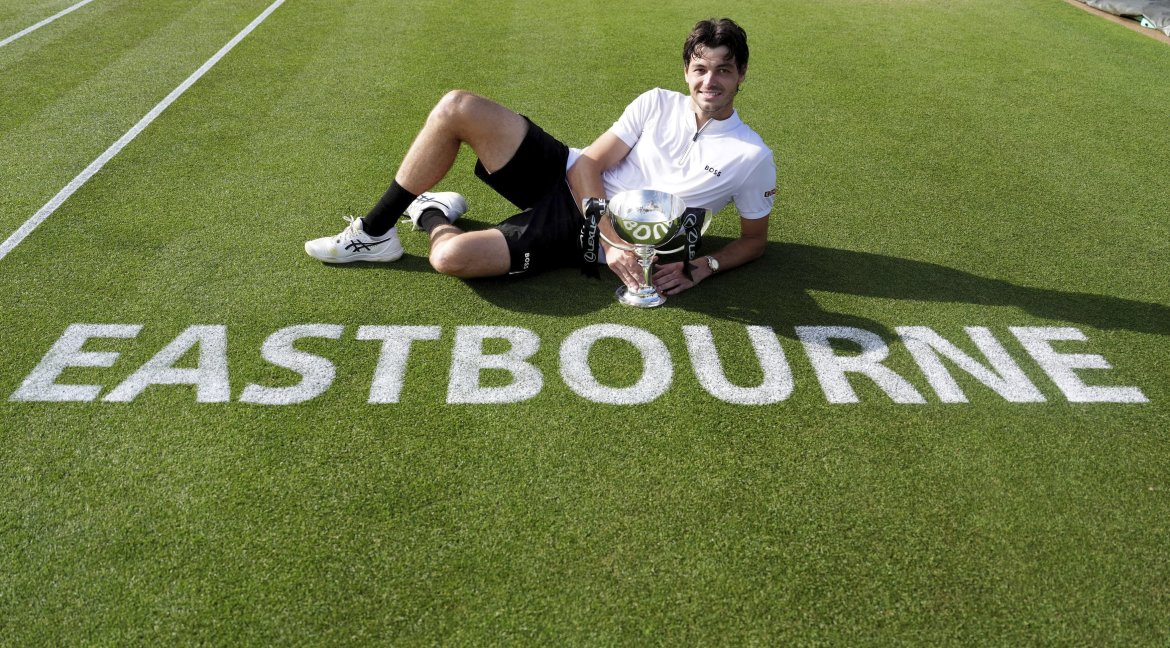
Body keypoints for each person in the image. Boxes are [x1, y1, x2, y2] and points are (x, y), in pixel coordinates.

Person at [305, 17, 775, 297]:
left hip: (578, 233)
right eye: (700, 68)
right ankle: (373, 232)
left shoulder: (751, 155)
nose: (709, 81)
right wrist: (611, 239)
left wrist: (703, 267)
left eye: (723, 70)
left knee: (449, 256)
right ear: (686, 70)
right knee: (457, 107)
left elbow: (754, 241)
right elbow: (589, 164)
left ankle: (432, 211)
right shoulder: (656, 101)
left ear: (742, 75)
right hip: (574, 182)